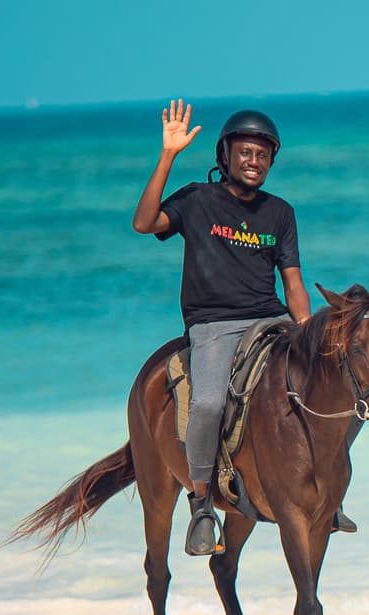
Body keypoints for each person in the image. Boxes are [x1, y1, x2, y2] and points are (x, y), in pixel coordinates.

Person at [132, 101, 318, 556]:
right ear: (226, 156)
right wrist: (167, 156)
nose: (254, 162)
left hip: (270, 319)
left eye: (263, 155)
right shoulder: (197, 199)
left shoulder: (280, 213)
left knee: (321, 387)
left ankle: (324, 495)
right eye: (245, 153)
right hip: (213, 325)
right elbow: (143, 223)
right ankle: (200, 505)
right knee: (211, 402)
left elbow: (292, 282)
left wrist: (307, 330)